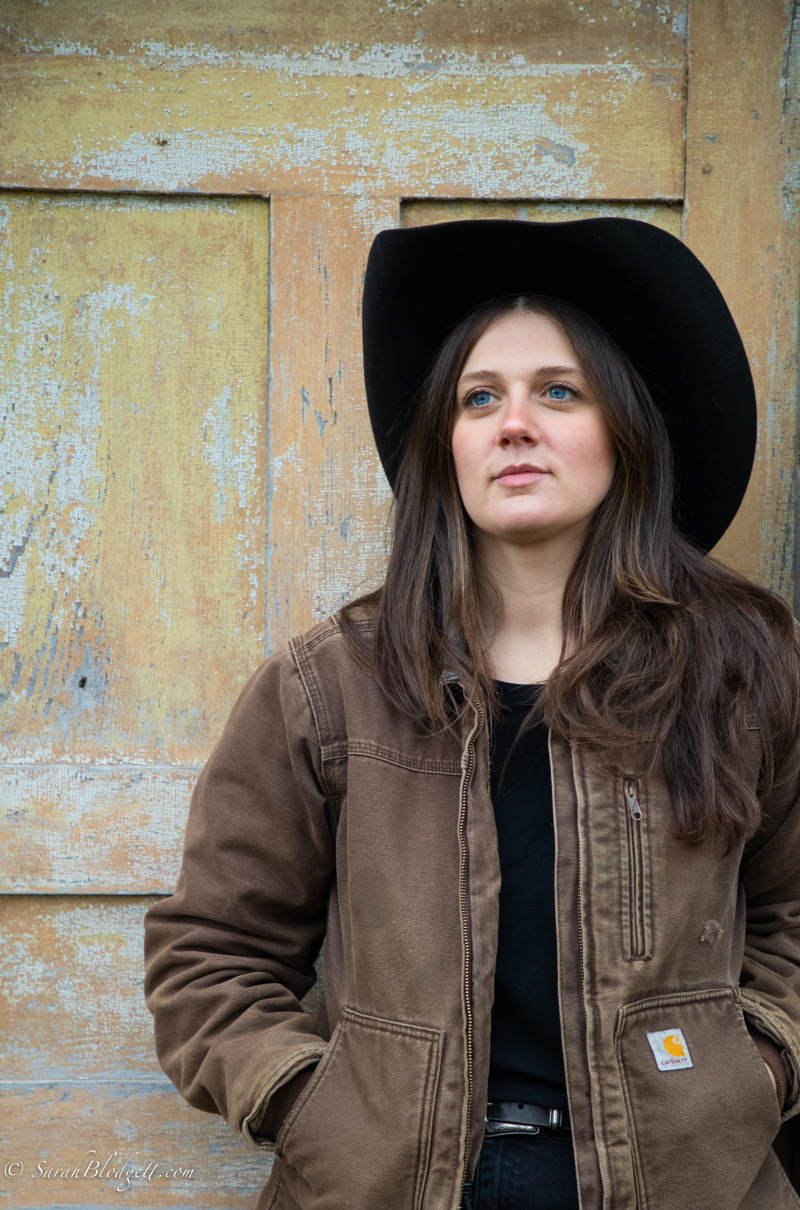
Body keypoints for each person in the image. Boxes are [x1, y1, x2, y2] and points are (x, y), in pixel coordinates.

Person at [144, 218, 800, 1210]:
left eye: (559, 391)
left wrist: (748, 1075)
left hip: (684, 1184)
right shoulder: (332, 685)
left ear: (624, 430)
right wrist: (312, 1106)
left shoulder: (743, 672)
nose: (513, 423)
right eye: (479, 397)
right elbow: (209, 953)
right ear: (445, 445)